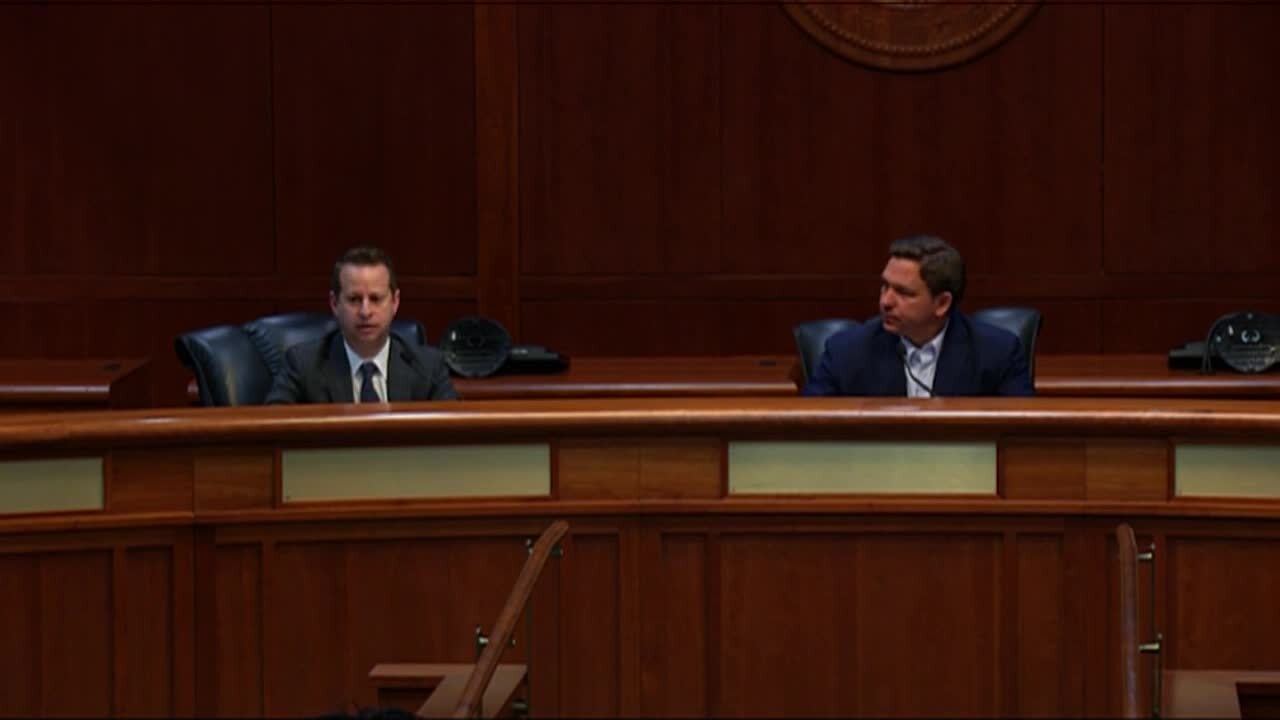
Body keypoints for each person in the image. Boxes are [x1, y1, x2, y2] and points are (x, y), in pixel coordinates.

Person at [802, 235, 1033, 397]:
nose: (885, 302)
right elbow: (807, 429)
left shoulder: (997, 353)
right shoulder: (846, 351)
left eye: (903, 292)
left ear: (942, 303)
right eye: (885, 286)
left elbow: (1022, 436)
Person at [265, 246, 458, 404]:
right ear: (334, 303)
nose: (365, 312)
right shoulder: (303, 365)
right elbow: (273, 425)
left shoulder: (429, 367)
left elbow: (454, 431)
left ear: (395, 302)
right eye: (354, 299)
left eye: (375, 299)